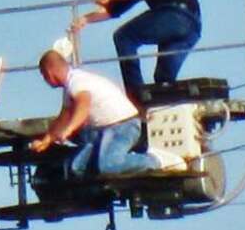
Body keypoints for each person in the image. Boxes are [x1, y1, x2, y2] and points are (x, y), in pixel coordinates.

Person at [72, 0, 202, 103]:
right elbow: (117, 8)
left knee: (123, 37)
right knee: (164, 80)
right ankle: (164, 106)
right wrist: (86, 19)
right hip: (191, 26)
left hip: (176, 15)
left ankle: (134, 93)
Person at [30, 50, 159, 177]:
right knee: (77, 167)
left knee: (109, 165)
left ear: (49, 72)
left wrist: (68, 130)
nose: (45, 80)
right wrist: (46, 141)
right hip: (105, 130)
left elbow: (83, 106)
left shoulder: (78, 81)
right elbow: (63, 118)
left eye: (43, 75)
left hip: (123, 126)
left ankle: (154, 161)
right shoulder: (69, 87)